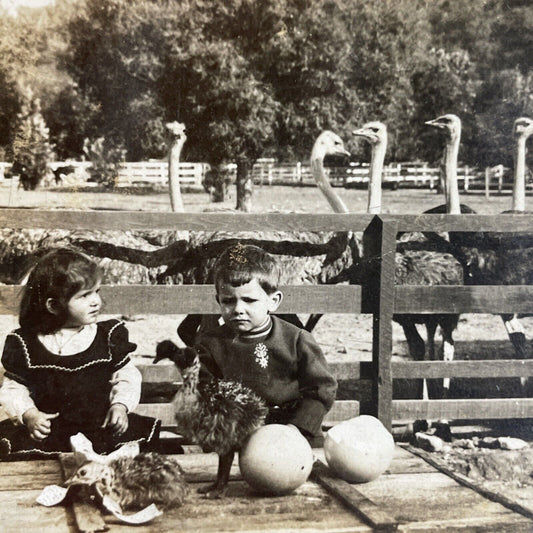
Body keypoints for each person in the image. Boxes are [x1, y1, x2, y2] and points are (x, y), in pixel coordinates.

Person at [0, 248, 160, 459]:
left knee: (128, 456)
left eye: (97, 291)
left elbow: (127, 376)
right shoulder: (27, 343)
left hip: (100, 430)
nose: (96, 301)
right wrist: (29, 414)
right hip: (51, 433)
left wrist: (120, 405)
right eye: (84, 295)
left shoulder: (107, 336)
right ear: (54, 306)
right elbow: (14, 388)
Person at [188, 243, 337, 446]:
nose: (238, 309)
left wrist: (296, 429)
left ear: (273, 301)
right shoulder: (211, 344)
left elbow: (321, 390)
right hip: (238, 436)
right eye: (228, 301)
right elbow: (204, 392)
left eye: (249, 300)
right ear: (218, 301)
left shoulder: (296, 339)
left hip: (293, 434)